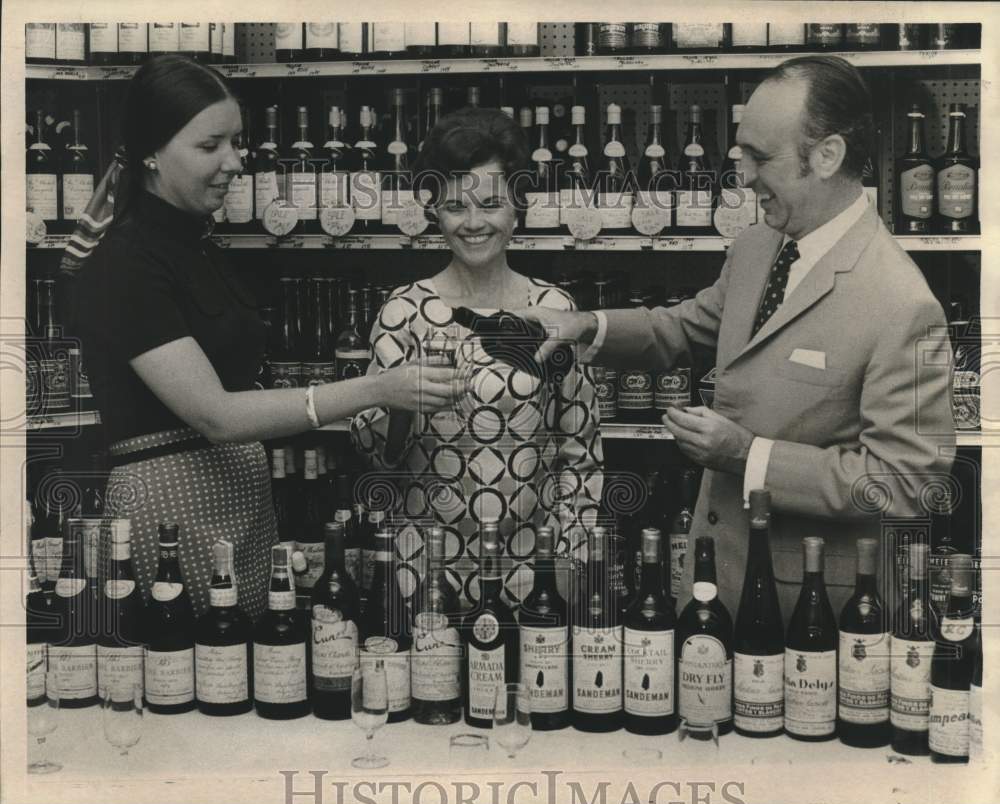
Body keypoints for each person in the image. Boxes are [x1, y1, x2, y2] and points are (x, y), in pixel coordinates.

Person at [520, 55, 956, 619]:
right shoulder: (757, 246)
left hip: (809, 609)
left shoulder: (901, 301)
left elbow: (906, 482)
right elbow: (687, 324)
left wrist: (749, 456)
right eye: (741, 153)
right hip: (709, 587)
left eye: (761, 157)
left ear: (827, 156)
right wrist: (586, 324)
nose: (743, 176)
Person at [68, 55, 458, 620]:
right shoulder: (125, 263)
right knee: (189, 675)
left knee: (244, 672)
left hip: (240, 501)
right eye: (211, 146)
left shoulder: (196, 246)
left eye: (237, 142)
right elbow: (216, 415)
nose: (234, 162)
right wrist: (376, 388)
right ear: (151, 152)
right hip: (171, 509)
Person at [351, 107, 604, 608]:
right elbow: (377, 461)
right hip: (422, 573)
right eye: (453, 207)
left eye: (490, 204)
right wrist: (401, 404)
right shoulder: (404, 312)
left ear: (518, 206)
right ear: (433, 212)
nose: (472, 223)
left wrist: (574, 560)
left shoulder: (555, 311)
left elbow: (580, 452)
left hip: (535, 575)